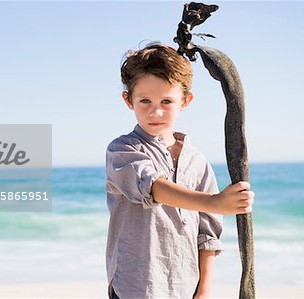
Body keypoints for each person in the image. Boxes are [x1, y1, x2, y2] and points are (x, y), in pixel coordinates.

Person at [106, 43, 254, 299]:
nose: (156, 111)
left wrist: (203, 291)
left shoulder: (196, 161)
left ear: (185, 100)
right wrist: (215, 202)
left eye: (166, 100)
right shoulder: (122, 150)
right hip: (136, 286)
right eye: (145, 101)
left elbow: (207, 234)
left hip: (185, 288)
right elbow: (152, 187)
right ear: (128, 100)